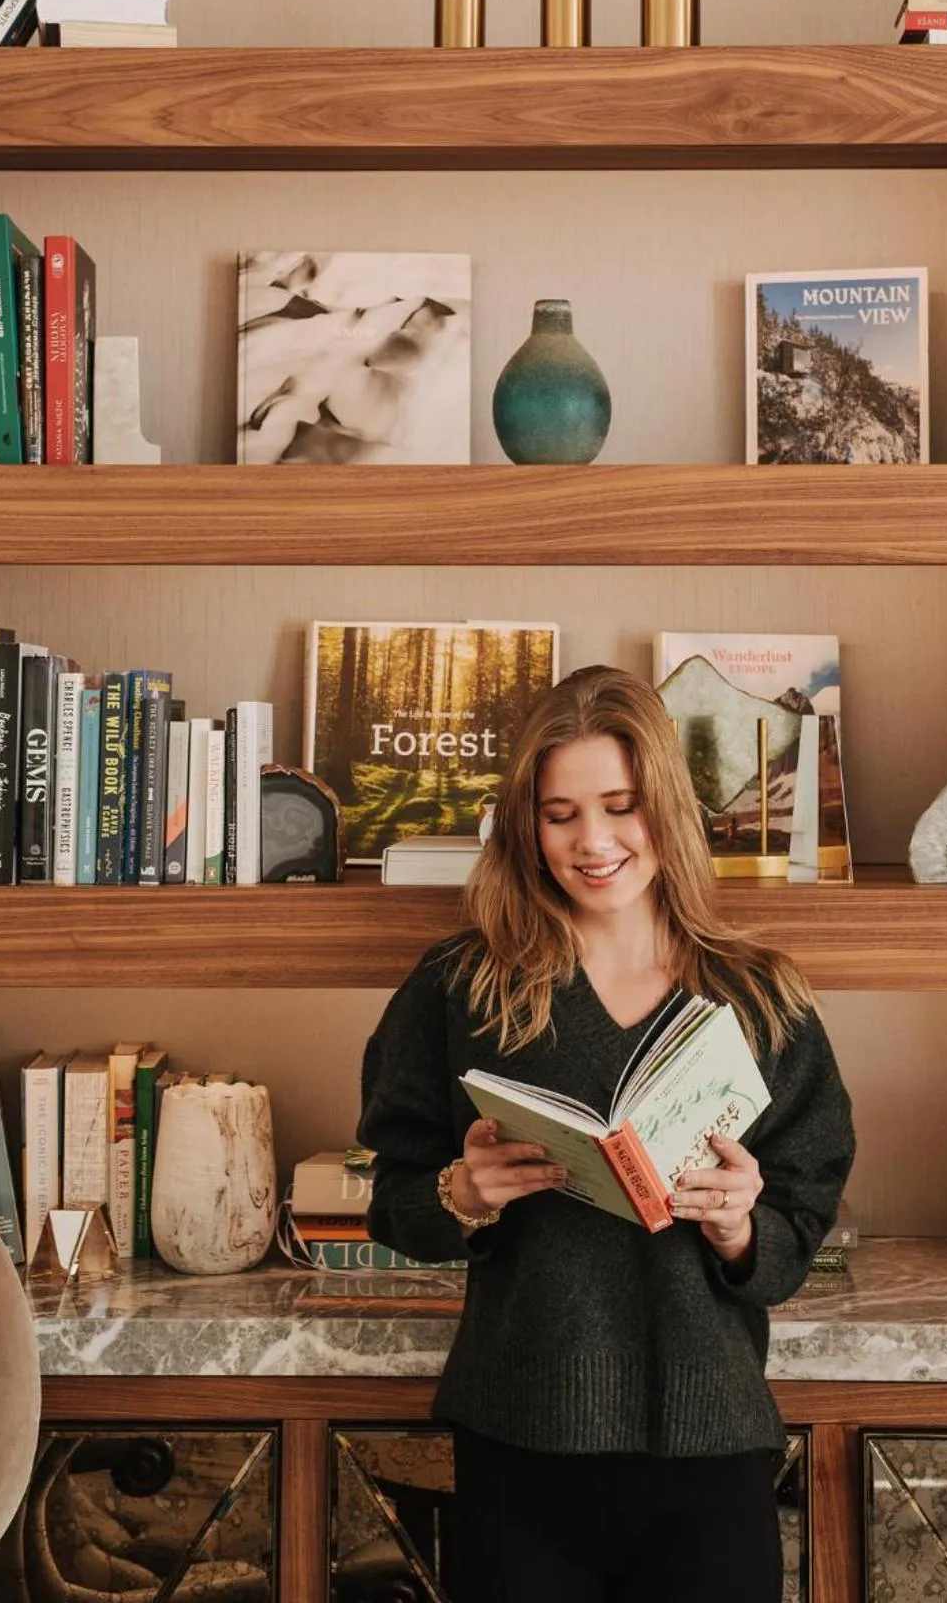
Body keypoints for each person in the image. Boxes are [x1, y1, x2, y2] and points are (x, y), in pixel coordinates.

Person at [358, 665, 855, 1603]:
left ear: (664, 805)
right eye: (559, 814)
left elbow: (803, 1216)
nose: (592, 842)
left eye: (619, 806)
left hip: (711, 1443)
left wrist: (743, 1227)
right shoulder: (461, 987)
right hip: (519, 1440)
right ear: (525, 825)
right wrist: (457, 1198)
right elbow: (393, 1192)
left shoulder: (760, 999)